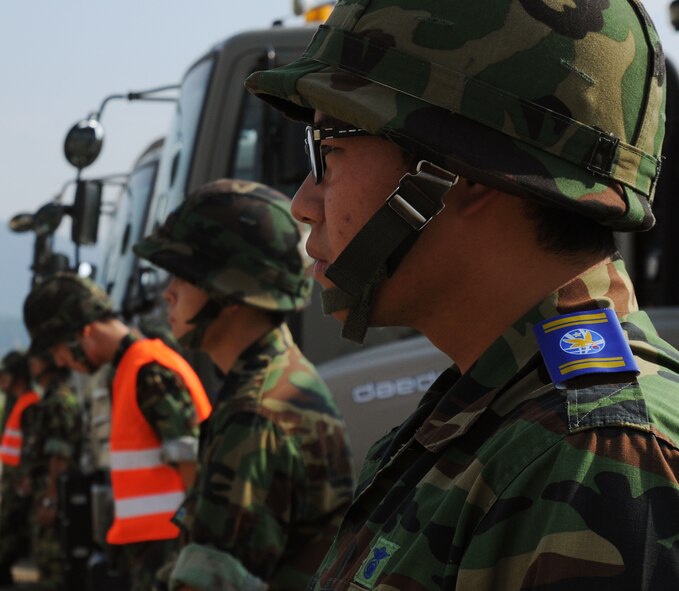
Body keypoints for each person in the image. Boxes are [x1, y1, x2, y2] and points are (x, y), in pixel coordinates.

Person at [244, 0, 679, 588]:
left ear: (462, 169)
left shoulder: (592, 456)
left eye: (328, 149)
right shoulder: (486, 420)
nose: (302, 202)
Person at [133, 178, 355, 591]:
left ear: (231, 292)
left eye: (183, 276)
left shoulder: (255, 414)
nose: (168, 294)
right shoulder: (276, 377)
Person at [22, 274, 212, 591]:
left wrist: (196, 553)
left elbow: (191, 459)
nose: (59, 361)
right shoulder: (131, 369)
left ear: (83, 333)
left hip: (171, 551)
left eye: (57, 349)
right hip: (157, 549)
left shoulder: (148, 370)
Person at [0, 351, 40, 588]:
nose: (1, 381)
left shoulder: (29, 403)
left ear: (19, 377)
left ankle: (3, 568)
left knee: (15, 524)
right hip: (13, 475)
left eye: (7, 375)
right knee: (9, 523)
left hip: (19, 476)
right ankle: (1, 569)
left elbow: (32, 445)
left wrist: (25, 476)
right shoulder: (18, 401)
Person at [22, 350, 84, 590]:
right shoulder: (50, 398)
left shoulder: (59, 400)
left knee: (53, 563)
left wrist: (51, 498)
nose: (31, 363)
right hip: (46, 489)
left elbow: (60, 455)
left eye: (35, 359)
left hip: (55, 494)